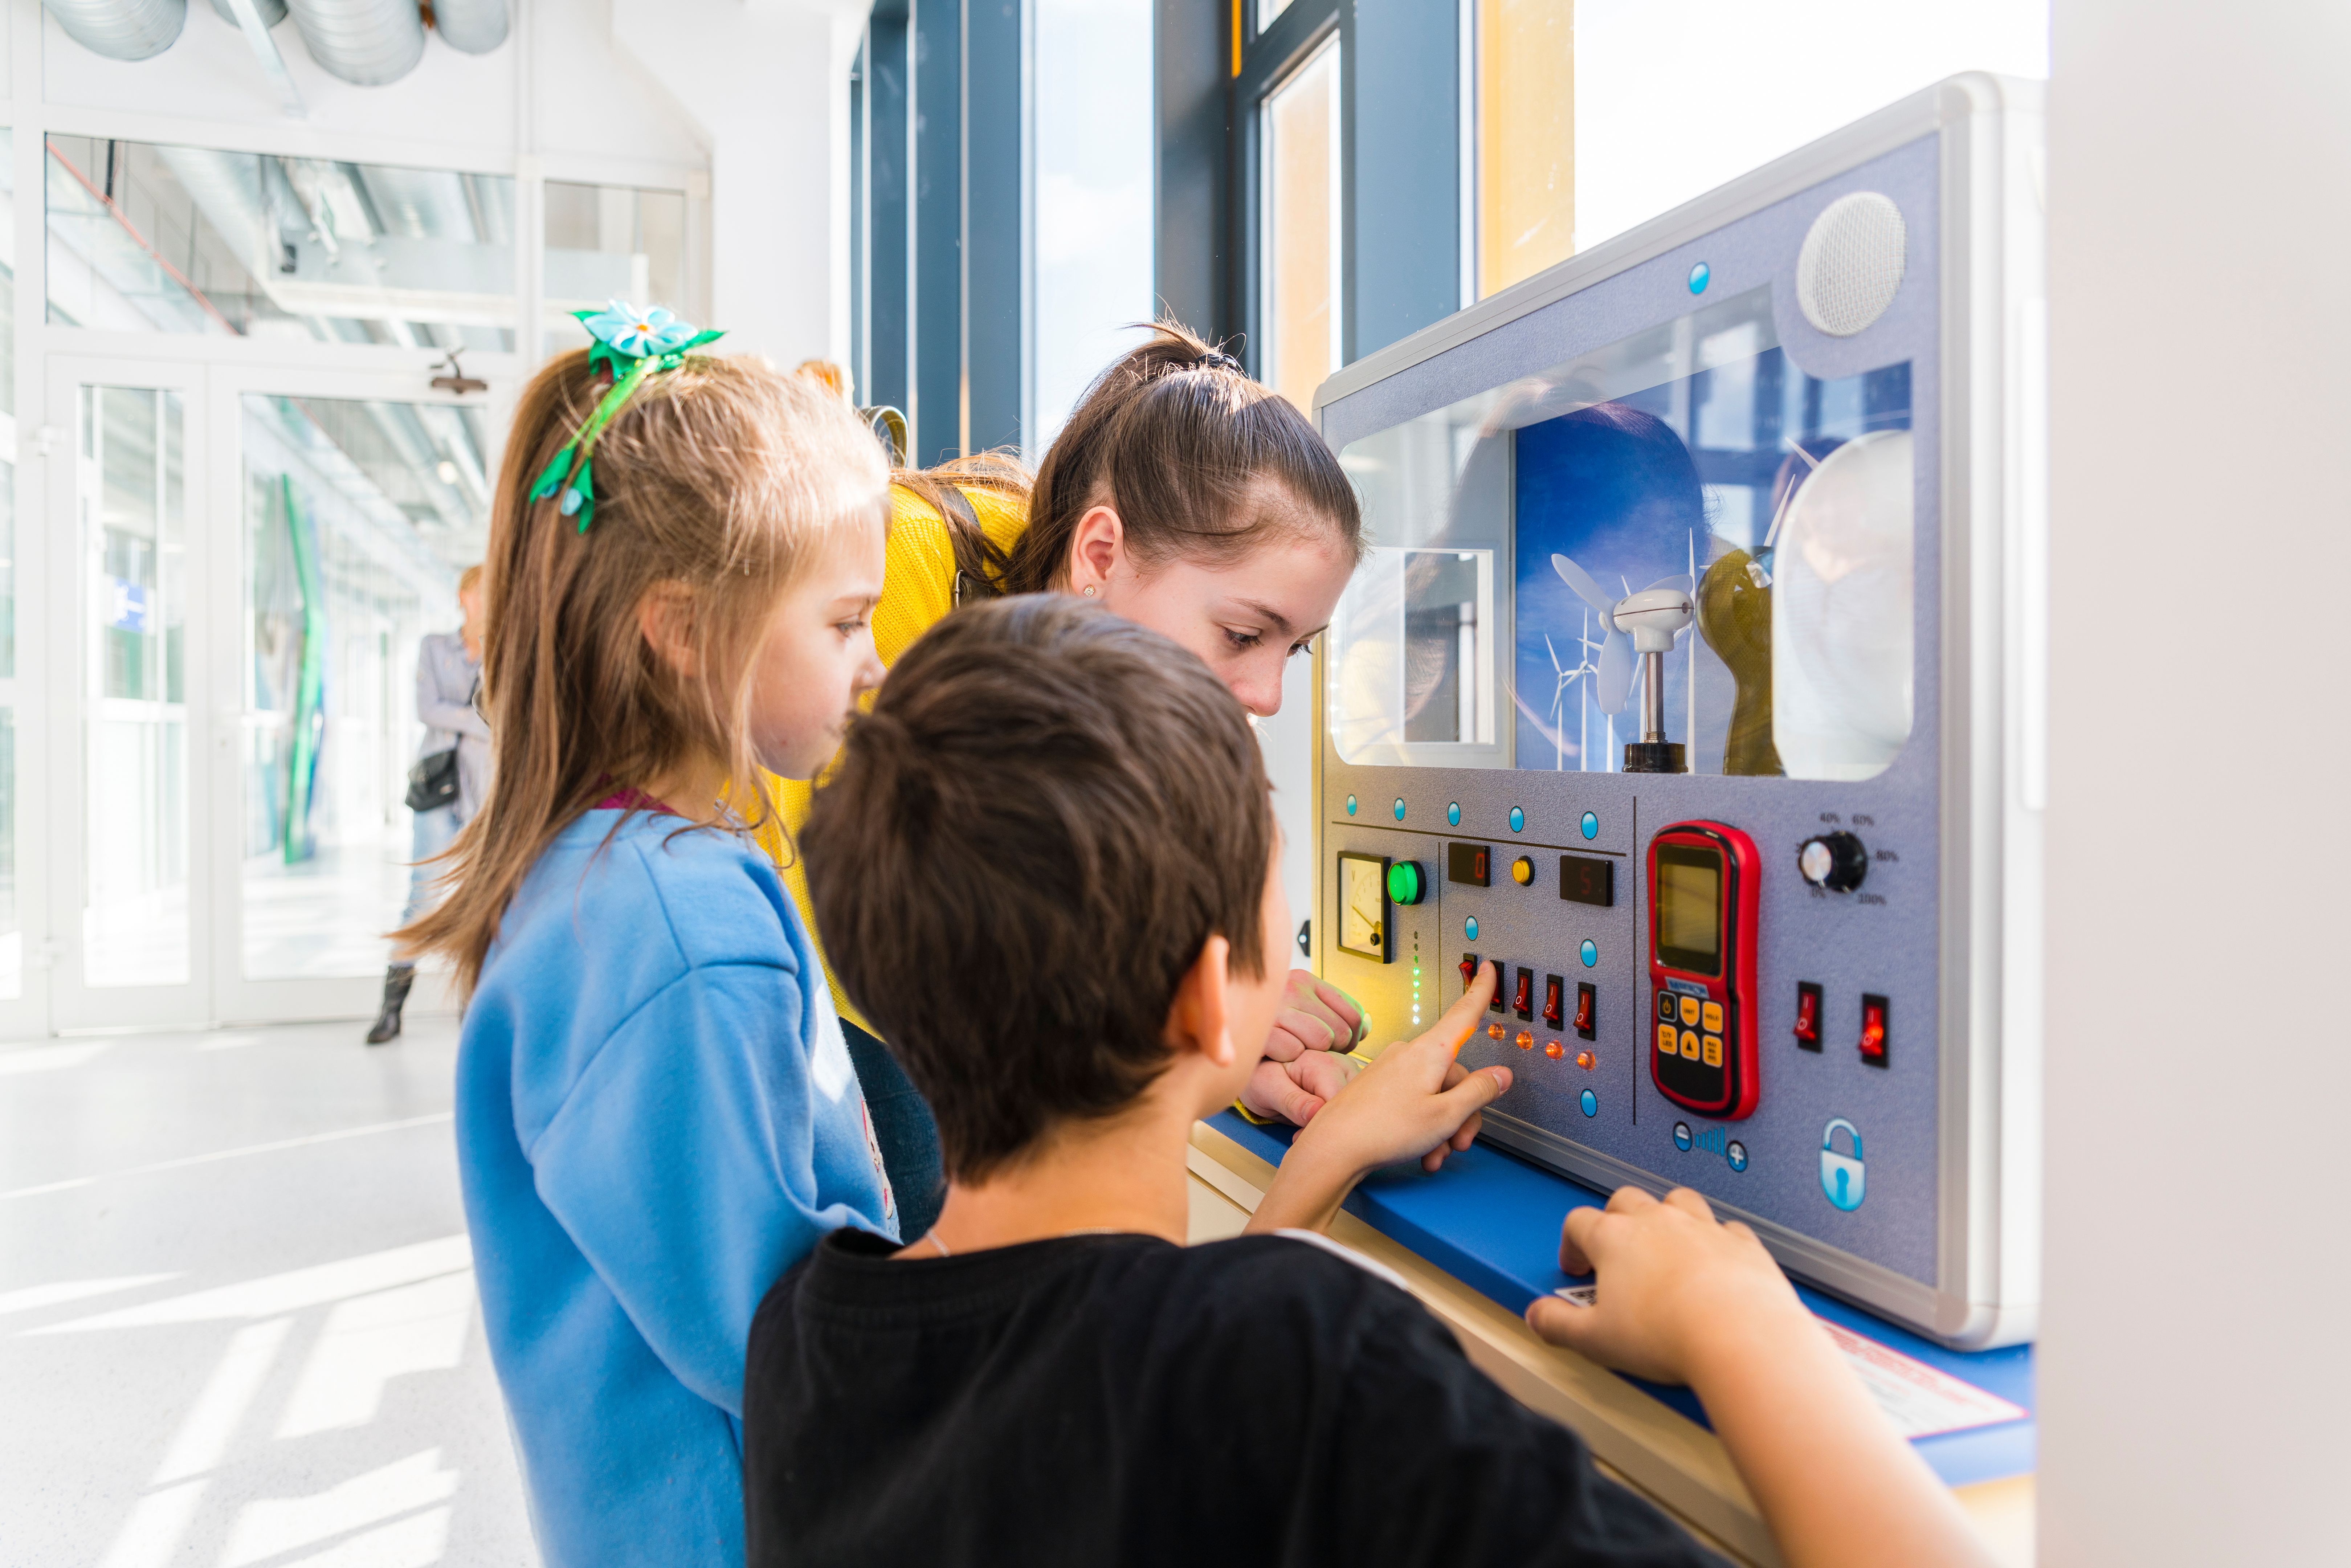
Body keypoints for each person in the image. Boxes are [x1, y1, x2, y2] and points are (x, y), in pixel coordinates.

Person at [747, 595, 1999, 1568]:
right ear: (1206, 997)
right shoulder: (1309, 1361)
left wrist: (1325, 1155)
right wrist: (1739, 1324)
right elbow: (1216, 1368)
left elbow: (1108, 1382)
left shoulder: (807, 1337)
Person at [393, 309, 899, 1568]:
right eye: (844, 622)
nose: (875, 663)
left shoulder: (610, 878)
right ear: (683, 631)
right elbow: (793, 1353)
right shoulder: (674, 930)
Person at [762, 324, 1374, 1237]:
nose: (1265, 695)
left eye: (1295, 649)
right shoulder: (895, 576)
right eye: (1243, 635)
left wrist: (1222, 1036)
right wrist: (1186, 1034)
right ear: (1098, 556)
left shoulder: (1141, 679)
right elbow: (881, 934)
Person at [366, 563, 490, 1044]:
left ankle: (471, 1012)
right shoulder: (435, 647)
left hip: (485, 789)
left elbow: (501, 711)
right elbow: (428, 708)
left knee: (481, 902)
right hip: (438, 789)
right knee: (423, 895)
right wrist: (477, 722)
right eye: (478, 593)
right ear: (463, 597)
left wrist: (463, 716)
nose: (485, 601)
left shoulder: (504, 648)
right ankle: (391, 1008)